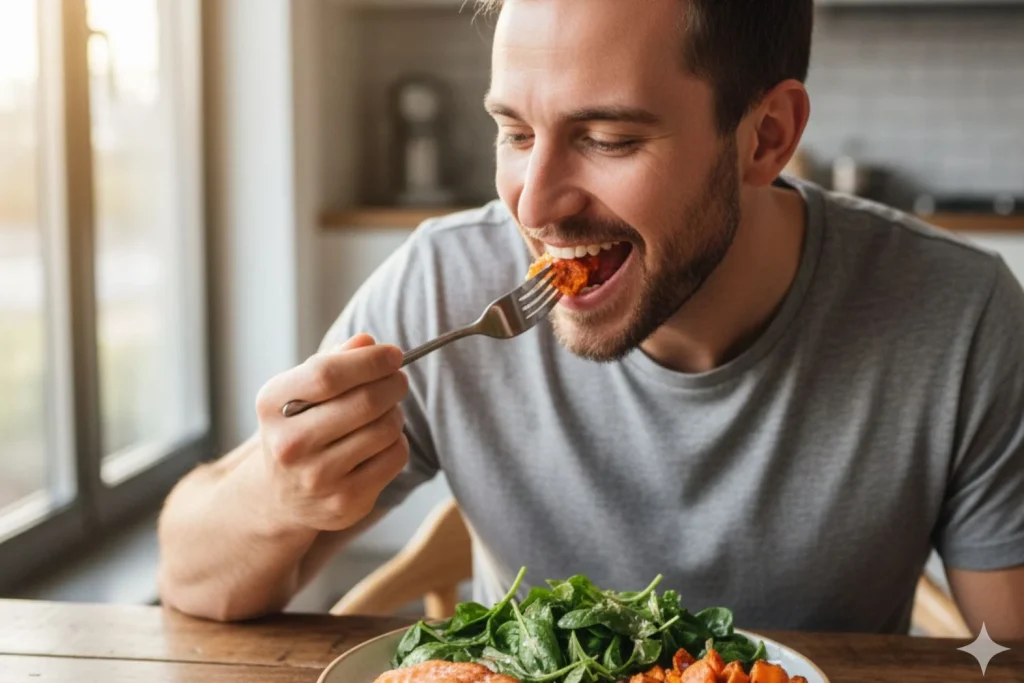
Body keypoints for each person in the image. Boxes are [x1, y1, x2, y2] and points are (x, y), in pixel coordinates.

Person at [157, 0, 1024, 638]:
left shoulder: (959, 317)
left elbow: (1006, 651)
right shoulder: (443, 287)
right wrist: (278, 489)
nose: (532, 204)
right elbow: (193, 578)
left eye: (608, 139)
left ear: (765, 137)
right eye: (514, 131)